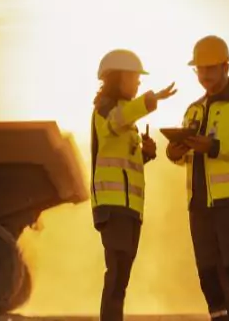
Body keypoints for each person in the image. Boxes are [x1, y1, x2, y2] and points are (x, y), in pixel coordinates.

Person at [166, 35, 229, 321]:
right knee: (208, 271)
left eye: (211, 69)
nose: (206, 75)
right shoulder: (194, 109)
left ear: (226, 67)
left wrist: (215, 147)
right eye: (201, 70)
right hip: (199, 204)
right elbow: (187, 156)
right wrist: (175, 152)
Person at [91, 49, 176, 321]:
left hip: (128, 208)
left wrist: (145, 154)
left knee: (122, 274)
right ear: (119, 78)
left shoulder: (126, 118)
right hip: (113, 207)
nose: (138, 83)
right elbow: (117, 120)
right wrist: (150, 100)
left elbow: (123, 163)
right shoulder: (105, 109)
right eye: (135, 77)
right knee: (116, 272)